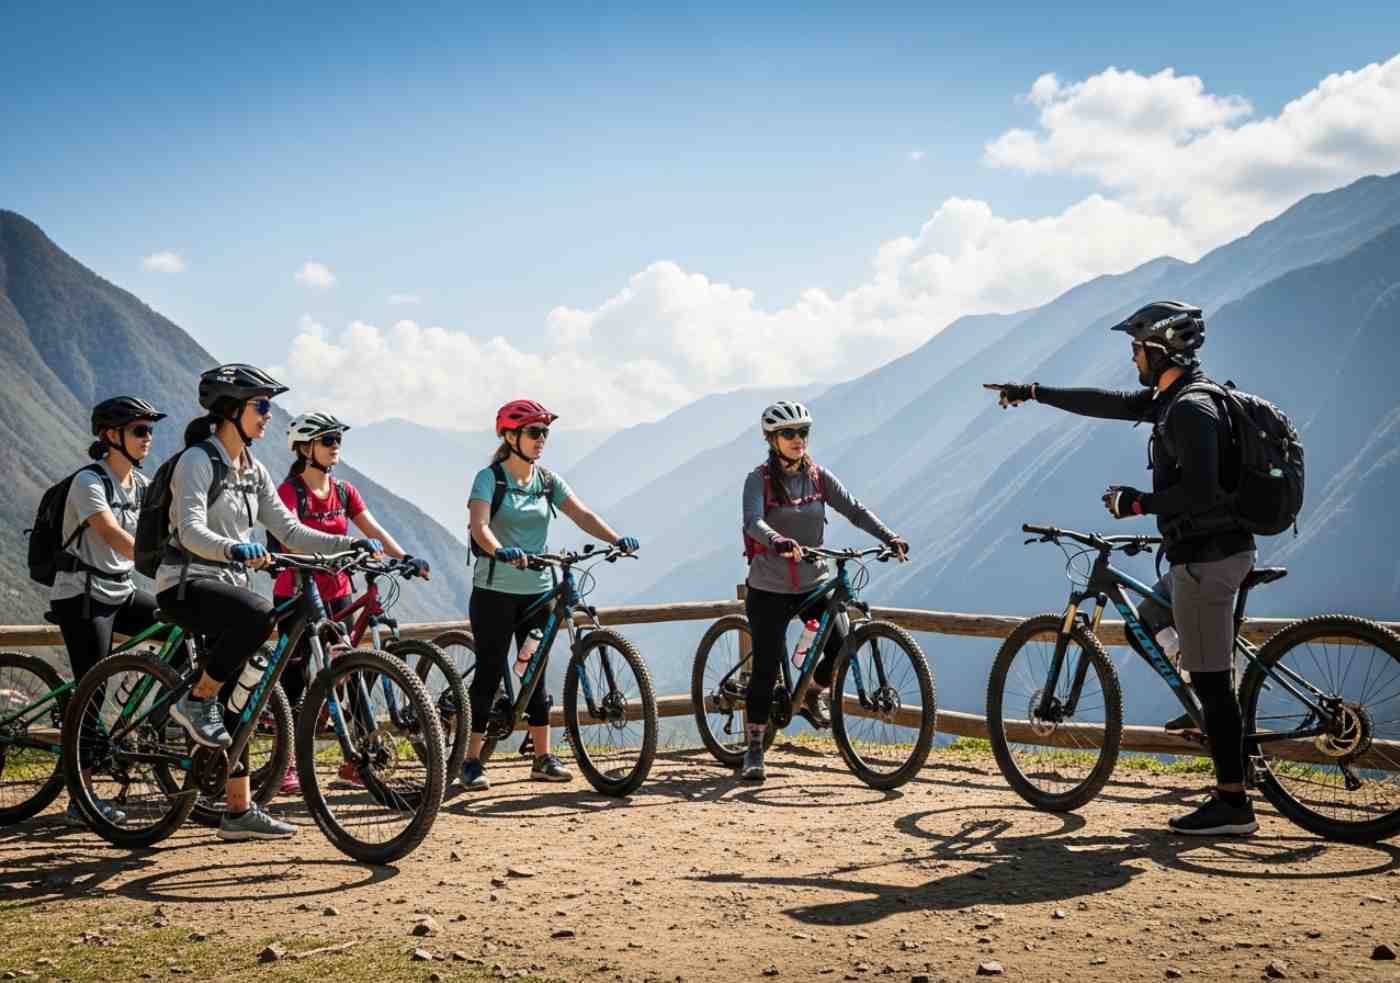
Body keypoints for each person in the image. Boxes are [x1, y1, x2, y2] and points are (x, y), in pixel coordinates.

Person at [985, 299, 1258, 836]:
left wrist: (1137, 504)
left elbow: (1201, 491)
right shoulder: (1173, 399)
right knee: (1148, 622)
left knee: (1212, 683)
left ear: (1158, 349)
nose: (1131, 357)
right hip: (1198, 554)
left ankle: (1233, 800)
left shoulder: (1190, 409)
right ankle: (1219, 710)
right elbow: (1106, 403)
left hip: (1209, 557)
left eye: (1135, 347)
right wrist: (1034, 392)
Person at [159, 364, 380, 840]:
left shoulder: (251, 469)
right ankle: (197, 699)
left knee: (246, 693)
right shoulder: (198, 461)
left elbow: (291, 532)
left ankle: (237, 811)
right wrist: (233, 547)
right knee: (259, 616)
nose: (268, 415)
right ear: (231, 411)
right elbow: (190, 529)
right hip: (187, 581)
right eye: (261, 406)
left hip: (233, 587)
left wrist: (348, 545)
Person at [460, 399, 638, 791]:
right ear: (511, 436)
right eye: (534, 432)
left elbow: (582, 514)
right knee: (489, 673)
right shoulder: (490, 478)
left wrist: (616, 539)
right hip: (495, 591)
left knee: (536, 672)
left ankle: (542, 758)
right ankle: (470, 760)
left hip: (537, 591)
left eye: (545, 433)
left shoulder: (547, 480)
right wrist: (499, 550)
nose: (541, 440)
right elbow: (479, 525)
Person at [739, 400, 908, 784]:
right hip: (769, 587)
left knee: (839, 650)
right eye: (788, 433)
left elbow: (855, 510)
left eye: (803, 432)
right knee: (765, 667)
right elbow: (752, 521)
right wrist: (776, 539)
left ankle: (811, 692)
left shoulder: (817, 476)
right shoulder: (759, 479)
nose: (798, 439)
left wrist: (889, 536)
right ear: (772, 439)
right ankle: (753, 749)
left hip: (812, 583)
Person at [272, 412, 429, 795]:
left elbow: (373, 530)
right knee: (294, 680)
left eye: (337, 439)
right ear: (306, 448)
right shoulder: (290, 491)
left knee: (352, 671)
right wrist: (339, 547)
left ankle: (354, 761)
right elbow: (288, 539)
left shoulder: (344, 491)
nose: (335, 446)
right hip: (296, 592)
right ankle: (287, 762)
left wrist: (404, 556)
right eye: (328, 440)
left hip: (338, 592)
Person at [50, 396, 167, 825]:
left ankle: (159, 719)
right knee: (91, 689)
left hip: (120, 589)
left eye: (150, 431)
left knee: (182, 624)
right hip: (83, 594)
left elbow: (166, 530)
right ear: (110, 435)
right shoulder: (89, 482)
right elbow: (114, 535)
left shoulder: (141, 482)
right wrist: (161, 560)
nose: (147, 438)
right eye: (139, 430)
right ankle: (78, 801)